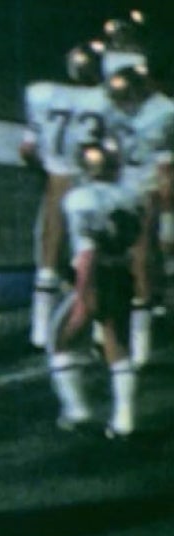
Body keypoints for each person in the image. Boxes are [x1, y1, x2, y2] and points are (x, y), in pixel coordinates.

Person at [49, 138, 143, 439]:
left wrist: (81, 295)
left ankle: (77, 410)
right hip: (121, 273)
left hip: (94, 275)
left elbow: (88, 252)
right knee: (118, 346)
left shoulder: (80, 198)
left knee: (60, 341)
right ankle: (124, 420)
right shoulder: (132, 196)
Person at [20, 41, 112, 348]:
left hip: (58, 180)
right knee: (94, 257)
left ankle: (39, 330)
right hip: (91, 183)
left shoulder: (43, 94)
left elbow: (28, 149)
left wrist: (44, 170)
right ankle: (102, 329)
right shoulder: (105, 100)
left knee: (48, 253)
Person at [104, 63, 173, 366]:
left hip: (145, 187)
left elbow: (165, 170)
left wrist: (168, 213)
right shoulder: (110, 108)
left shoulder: (163, 112)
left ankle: (141, 335)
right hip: (115, 186)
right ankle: (105, 325)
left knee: (141, 257)